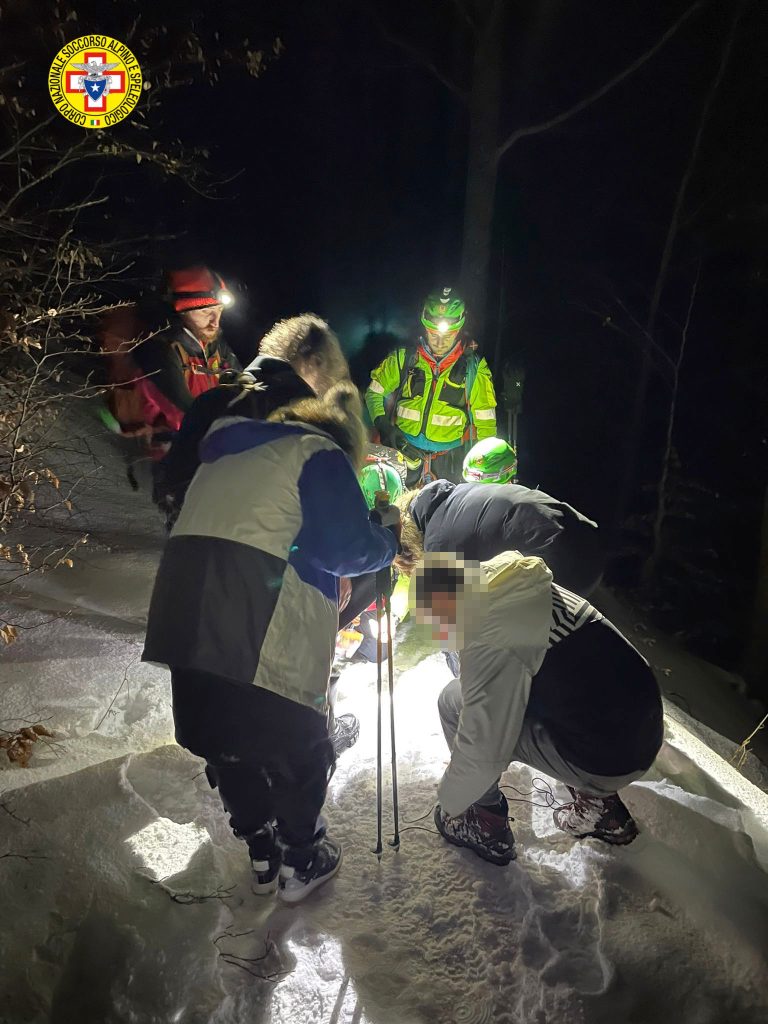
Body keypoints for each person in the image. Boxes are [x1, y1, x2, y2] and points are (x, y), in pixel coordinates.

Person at [143, 381, 399, 902]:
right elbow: (347, 550)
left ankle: (261, 849)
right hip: (255, 621)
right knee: (296, 749)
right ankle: (301, 860)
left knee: (226, 741)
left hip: (185, 614)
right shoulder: (317, 453)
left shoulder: (224, 455)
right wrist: (387, 540)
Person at [412, 552, 663, 865]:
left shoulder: (491, 637)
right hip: (642, 731)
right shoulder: (522, 586)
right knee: (546, 694)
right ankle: (601, 807)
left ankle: (484, 822)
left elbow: (482, 753)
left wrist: (450, 799)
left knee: (453, 702)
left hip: (606, 759)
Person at [152, 313, 349, 530]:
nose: (323, 393)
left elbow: (172, 482)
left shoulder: (214, 398)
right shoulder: (301, 415)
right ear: (315, 361)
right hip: (260, 556)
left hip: (189, 545)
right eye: (328, 377)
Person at [364, 288, 497, 485]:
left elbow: (486, 424)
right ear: (425, 327)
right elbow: (373, 393)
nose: (440, 342)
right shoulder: (404, 358)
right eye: (433, 334)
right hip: (403, 451)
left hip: (450, 460)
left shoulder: (475, 368)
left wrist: (485, 471)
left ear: (459, 330)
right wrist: (384, 427)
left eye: (448, 335)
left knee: (447, 515)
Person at [395, 477, 605, 598]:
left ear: (410, 546)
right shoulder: (456, 495)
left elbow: (456, 630)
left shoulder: (437, 545)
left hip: (569, 574)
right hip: (588, 539)